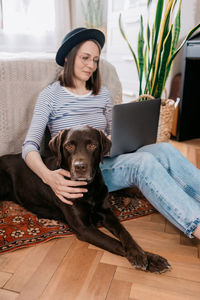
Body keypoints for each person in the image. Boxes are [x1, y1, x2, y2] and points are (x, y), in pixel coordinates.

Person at [22, 27, 200, 240]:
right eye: (85, 58)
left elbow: (111, 133)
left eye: (95, 60)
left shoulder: (102, 93)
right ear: (68, 57)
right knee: (142, 162)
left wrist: (114, 138)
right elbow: (29, 146)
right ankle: (196, 224)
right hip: (86, 172)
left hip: (108, 158)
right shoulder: (50, 95)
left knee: (163, 149)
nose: (91, 65)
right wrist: (49, 177)